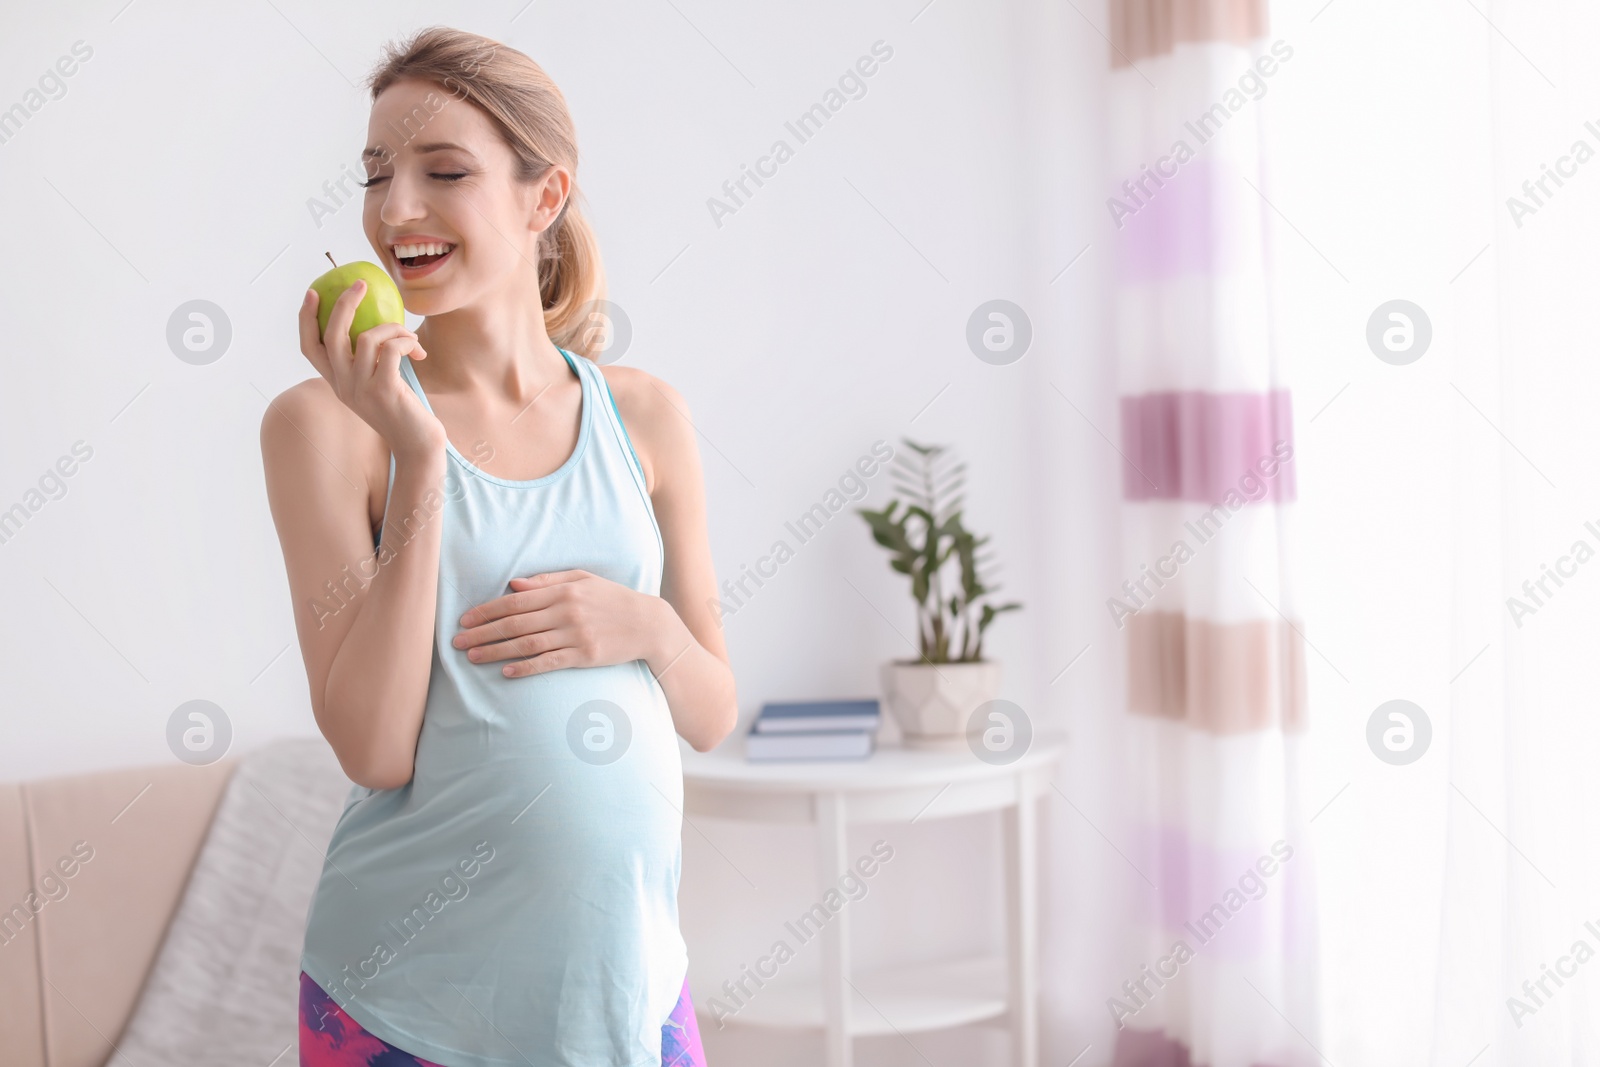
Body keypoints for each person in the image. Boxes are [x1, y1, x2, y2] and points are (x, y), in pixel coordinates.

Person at [260, 25, 737, 1067]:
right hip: (409, 1004)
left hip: (631, 986)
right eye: (377, 174)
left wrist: (646, 624)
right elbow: (374, 749)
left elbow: (709, 709)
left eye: (443, 171)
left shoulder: (646, 416)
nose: (395, 211)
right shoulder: (325, 427)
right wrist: (420, 459)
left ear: (544, 198)